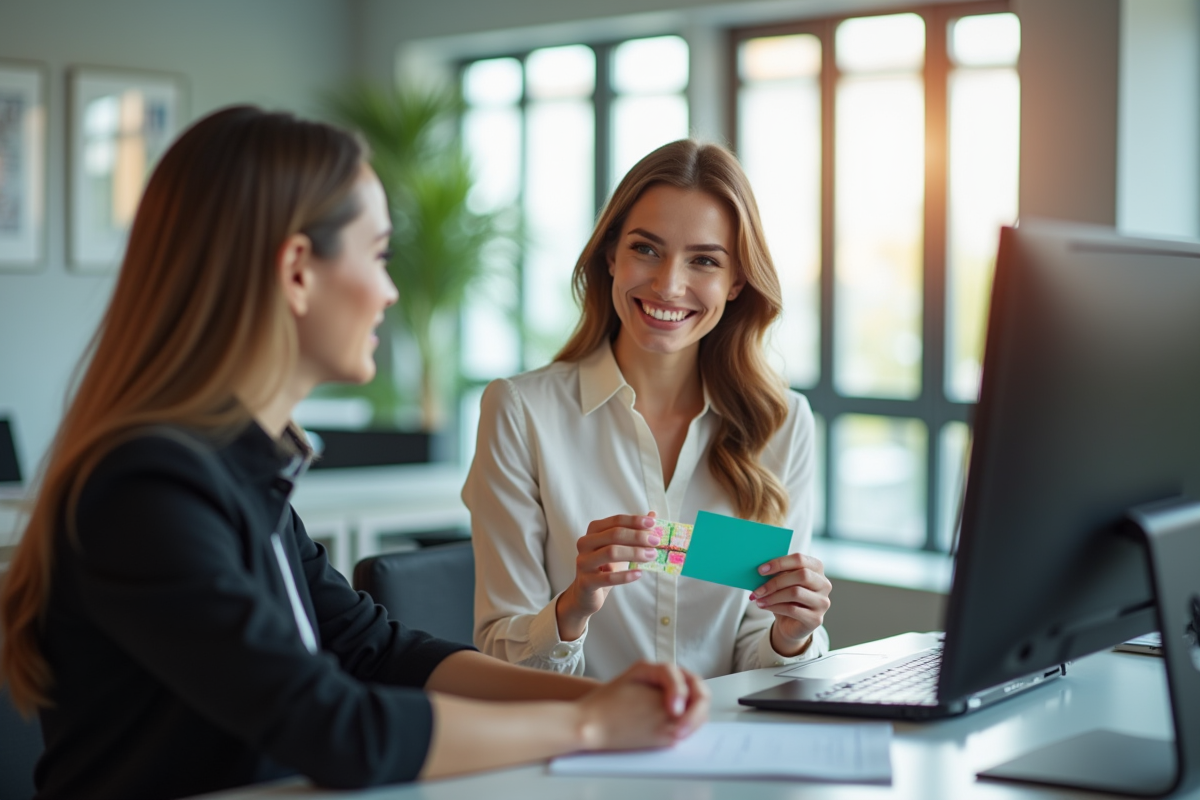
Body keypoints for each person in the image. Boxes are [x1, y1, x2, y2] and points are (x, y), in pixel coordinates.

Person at [0, 106, 708, 800]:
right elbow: (337, 729)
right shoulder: (147, 490)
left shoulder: (241, 474)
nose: (391, 291)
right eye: (378, 255)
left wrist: (594, 696)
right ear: (298, 270)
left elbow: (378, 650)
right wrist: (588, 724)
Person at [465, 139, 833, 681]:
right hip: (579, 727)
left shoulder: (782, 423)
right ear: (611, 255)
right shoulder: (521, 413)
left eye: (704, 260)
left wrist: (792, 635)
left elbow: (758, 656)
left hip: (722, 730)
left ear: (736, 281)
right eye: (646, 249)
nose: (668, 285)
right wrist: (574, 607)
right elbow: (501, 654)